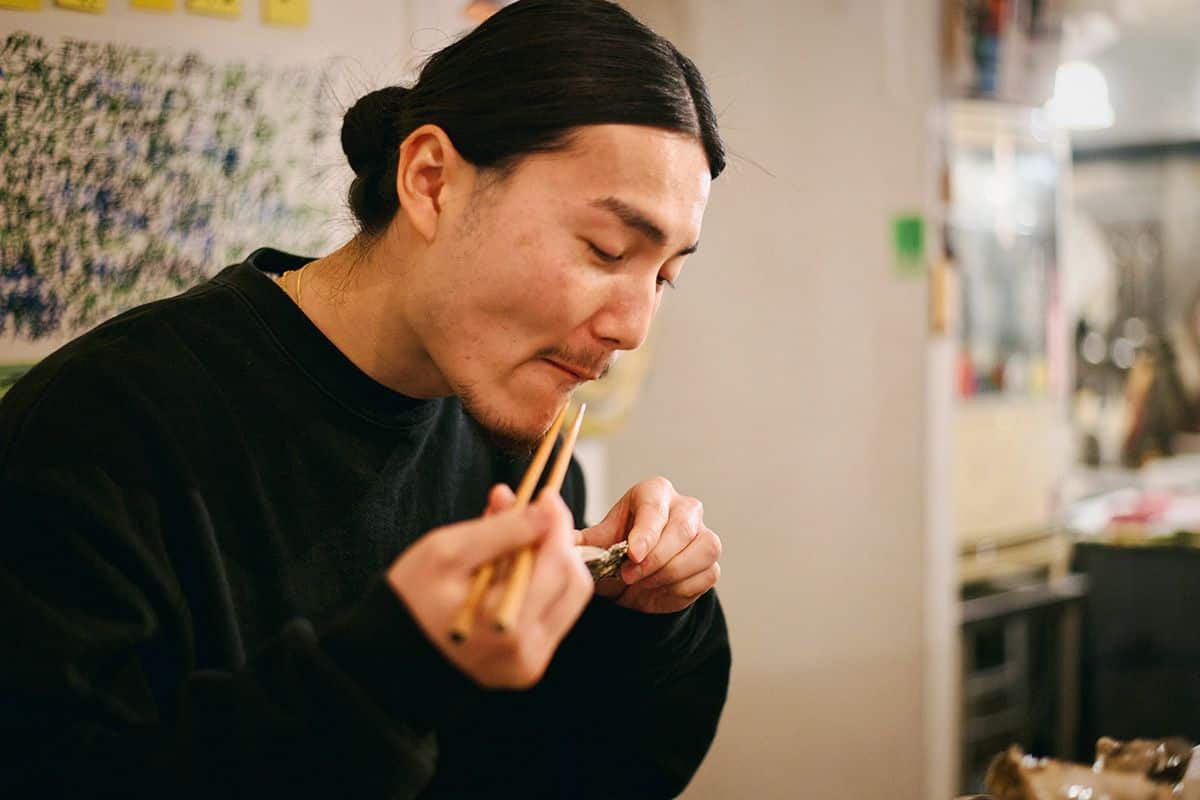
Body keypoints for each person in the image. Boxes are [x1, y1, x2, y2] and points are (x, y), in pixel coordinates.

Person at [0, 0, 728, 797]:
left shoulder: (518, 451)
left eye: (664, 277)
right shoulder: (98, 429)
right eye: (606, 250)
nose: (632, 327)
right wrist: (390, 669)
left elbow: (566, 773)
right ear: (431, 181)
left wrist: (646, 622)